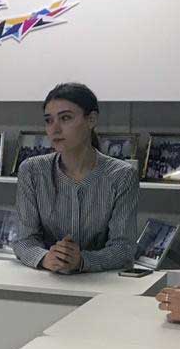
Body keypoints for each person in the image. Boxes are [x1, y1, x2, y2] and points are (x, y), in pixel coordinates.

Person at [12, 82, 138, 274]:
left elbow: (124, 248)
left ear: (91, 119)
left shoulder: (121, 175)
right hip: (47, 279)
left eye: (65, 118)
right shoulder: (32, 170)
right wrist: (46, 258)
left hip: (102, 282)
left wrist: (82, 261)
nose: (55, 129)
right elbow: (23, 240)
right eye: (49, 120)